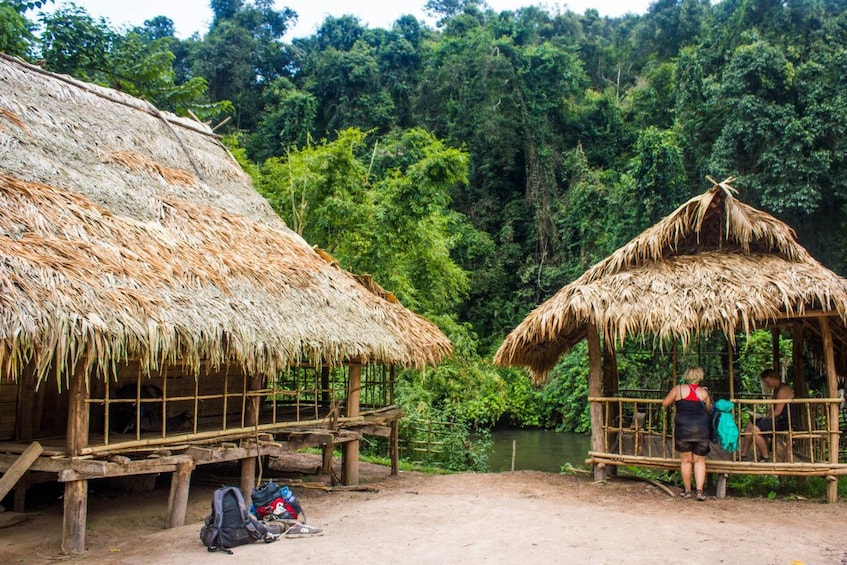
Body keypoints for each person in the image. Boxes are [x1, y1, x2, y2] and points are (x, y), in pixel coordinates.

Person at [662, 366, 712, 501]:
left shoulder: (678, 389)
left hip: (683, 429)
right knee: (700, 461)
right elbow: (709, 410)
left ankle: (688, 491)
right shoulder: (704, 393)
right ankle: (700, 492)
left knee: (686, 461)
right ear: (700, 377)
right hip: (702, 429)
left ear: (686, 376)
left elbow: (665, 403)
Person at [739, 368, 795, 462]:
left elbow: (777, 411)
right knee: (750, 424)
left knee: (755, 430)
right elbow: (772, 409)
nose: (767, 384)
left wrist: (765, 419)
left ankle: (765, 456)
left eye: (767, 382)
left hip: (783, 421)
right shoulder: (777, 390)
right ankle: (743, 453)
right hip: (777, 419)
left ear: (773, 378)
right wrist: (764, 416)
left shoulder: (783, 390)